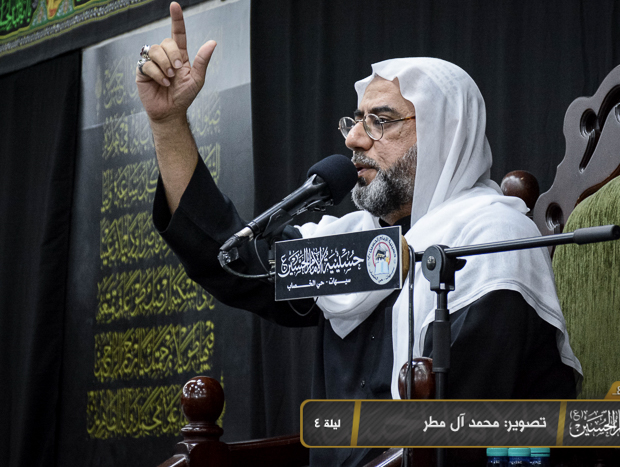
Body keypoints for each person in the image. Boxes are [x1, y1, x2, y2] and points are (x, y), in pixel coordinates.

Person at [137, 3, 582, 465]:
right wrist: (168, 124)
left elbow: (450, 432)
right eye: (355, 121)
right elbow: (231, 262)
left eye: (381, 121)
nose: (353, 139)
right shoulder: (355, 245)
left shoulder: (492, 241)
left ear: (443, 135)